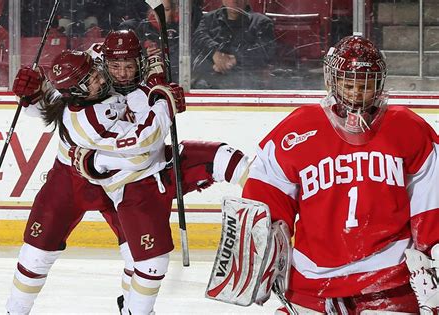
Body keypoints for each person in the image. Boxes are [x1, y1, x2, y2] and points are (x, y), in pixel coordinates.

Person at [43, 29, 251, 314]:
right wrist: (163, 100)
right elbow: (142, 144)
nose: (122, 73)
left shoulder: (105, 84)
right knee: (152, 264)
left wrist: (160, 88)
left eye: (130, 65)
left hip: (162, 163)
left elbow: (147, 119)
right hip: (133, 186)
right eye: (115, 66)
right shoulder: (88, 108)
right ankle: (135, 310)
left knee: (226, 158)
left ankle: (269, 209)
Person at [241, 35, 439, 313]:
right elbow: (265, 193)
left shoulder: (408, 128)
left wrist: (434, 253)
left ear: (380, 84)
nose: (357, 94)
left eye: (365, 86)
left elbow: (431, 199)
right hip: (311, 280)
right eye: (349, 84)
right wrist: (263, 248)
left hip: (389, 276)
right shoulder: (297, 130)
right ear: (331, 81)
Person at [5, 53, 127, 314]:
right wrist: (32, 92)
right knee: (34, 254)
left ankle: (134, 305)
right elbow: (48, 104)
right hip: (68, 177)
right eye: (91, 78)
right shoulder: (72, 102)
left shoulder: (105, 67)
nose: (101, 78)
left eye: (96, 72)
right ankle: (15, 311)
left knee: (139, 252)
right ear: (75, 91)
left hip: (119, 177)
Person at [191, 0, 276, 89]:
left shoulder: (262, 22)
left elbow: (265, 50)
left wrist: (234, 59)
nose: (234, 1)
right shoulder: (208, 18)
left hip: (246, 86)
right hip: (209, 85)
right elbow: (198, 38)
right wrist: (215, 53)